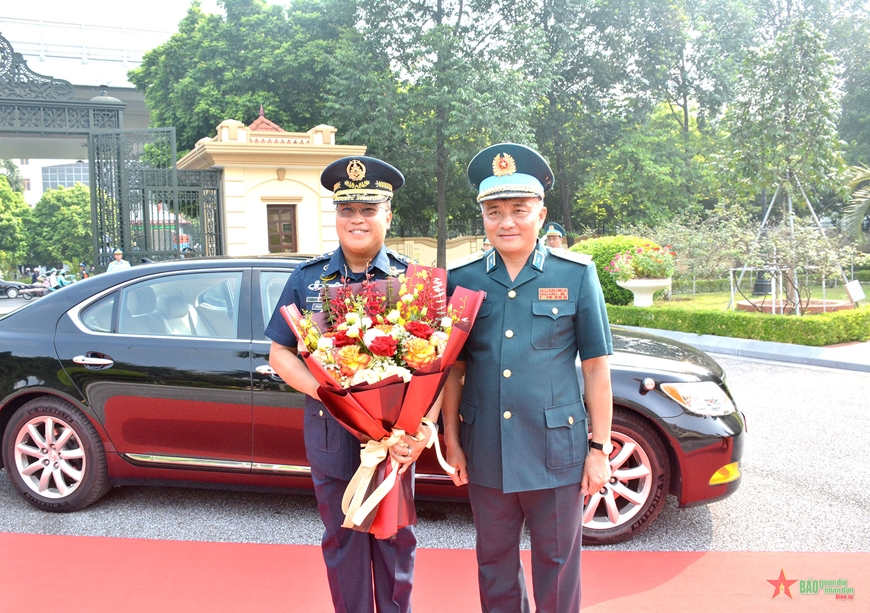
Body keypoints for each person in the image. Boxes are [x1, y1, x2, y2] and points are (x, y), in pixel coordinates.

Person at [442, 143, 614, 613]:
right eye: (494, 211)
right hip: (487, 447)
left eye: (519, 210)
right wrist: (451, 442)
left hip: (556, 449)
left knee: (557, 566)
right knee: (493, 563)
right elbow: (454, 370)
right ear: (482, 218)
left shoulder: (576, 274)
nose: (507, 222)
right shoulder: (463, 279)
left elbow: (596, 367)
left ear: (540, 214)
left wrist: (599, 450)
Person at [265, 156, 427, 613]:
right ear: (336, 216)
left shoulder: (412, 279)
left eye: (368, 210)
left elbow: (438, 363)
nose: (357, 220)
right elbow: (280, 353)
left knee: (395, 540)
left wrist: (421, 428)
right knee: (343, 541)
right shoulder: (307, 278)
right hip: (332, 433)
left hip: (394, 438)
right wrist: (328, 394)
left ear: (388, 215)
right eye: (347, 211)